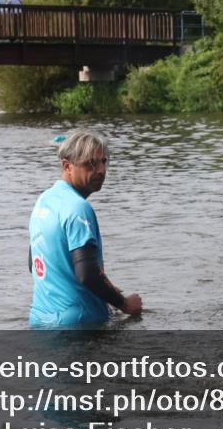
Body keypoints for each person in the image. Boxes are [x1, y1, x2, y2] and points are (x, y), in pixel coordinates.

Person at [28, 130, 143, 326]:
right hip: (79, 325)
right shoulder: (78, 208)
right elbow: (87, 273)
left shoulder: (44, 201)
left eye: (103, 162)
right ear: (67, 166)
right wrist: (124, 304)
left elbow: (34, 264)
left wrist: (107, 288)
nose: (100, 170)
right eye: (90, 163)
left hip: (40, 319)